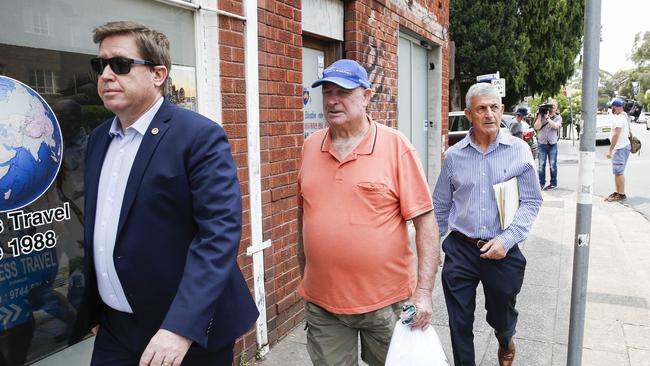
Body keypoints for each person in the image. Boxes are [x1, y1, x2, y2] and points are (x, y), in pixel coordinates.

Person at [70, 21, 258, 366]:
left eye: (121, 65)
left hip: (184, 331)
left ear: (158, 74)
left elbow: (218, 235)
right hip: (116, 325)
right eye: (100, 65)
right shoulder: (99, 138)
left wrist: (180, 328)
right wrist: (99, 307)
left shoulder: (198, 137)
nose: (106, 75)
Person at [297, 59, 440, 366]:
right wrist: (306, 273)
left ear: (366, 95)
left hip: (386, 304)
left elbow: (426, 222)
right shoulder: (310, 147)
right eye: (328, 92)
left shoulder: (395, 146)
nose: (333, 100)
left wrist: (424, 292)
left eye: (344, 92)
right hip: (324, 305)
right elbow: (304, 215)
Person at [433, 83, 542, 366]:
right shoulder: (454, 156)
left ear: (502, 110)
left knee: (501, 315)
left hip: (503, 248)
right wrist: (431, 251)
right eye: (481, 108)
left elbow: (531, 202)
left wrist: (506, 240)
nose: (489, 114)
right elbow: (441, 206)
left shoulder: (519, 151)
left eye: (494, 107)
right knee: (458, 323)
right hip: (461, 248)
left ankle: (505, 338)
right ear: (469, 114)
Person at [605, 98, 631, 202]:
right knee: (617, 171)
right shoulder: (622, 116)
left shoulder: (620, 118)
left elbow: (616, 135)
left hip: (620, 148)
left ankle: (621, 194)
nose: (611, 109)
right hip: (622, 147)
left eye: (612, 107)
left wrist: (610, 150)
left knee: (619, 171)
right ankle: (617, 192)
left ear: (618, 107)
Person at [533, 99, 562, 190]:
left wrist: (547, 118)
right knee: (541, 165)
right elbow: (536, 127)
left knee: (553, 165)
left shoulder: (558, 117)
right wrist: (539, 116)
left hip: (553, 144)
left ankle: (553, 183)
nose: (552, 107)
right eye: (551, 106)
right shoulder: (541, 115)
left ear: (556, 107)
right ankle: (541, 183)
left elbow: (555, 126)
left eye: (554, 106)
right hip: (542, 144)